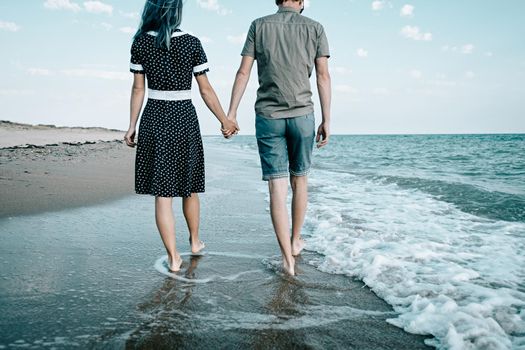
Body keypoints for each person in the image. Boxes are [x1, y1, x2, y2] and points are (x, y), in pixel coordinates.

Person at [124, 0, 238, 272]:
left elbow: (138, 89)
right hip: (184, 117)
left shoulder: (140, 43)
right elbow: (206, 90)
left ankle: (174, 257)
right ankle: (195, 241)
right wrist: (225, 120)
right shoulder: (192, 43)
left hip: (154, 117)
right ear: (177, 12)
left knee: (162, 194)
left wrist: (131, 125)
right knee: (189, 186)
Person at [227, 0, 332, 275]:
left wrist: (231, 113)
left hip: (268, 116)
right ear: (301, 1)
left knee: (277, 188)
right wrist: (327, 119)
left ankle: (287, 260)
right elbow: (323, 76)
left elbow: (243, 72)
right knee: (300, 180)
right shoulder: (315, 28)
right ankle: (296, 240)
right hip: (303, 116)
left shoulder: (258, 25)